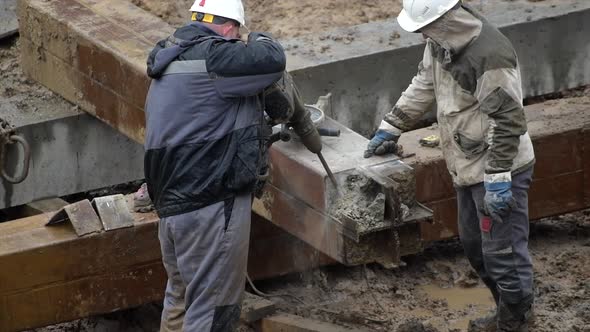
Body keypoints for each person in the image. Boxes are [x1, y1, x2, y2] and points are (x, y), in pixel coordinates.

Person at [364, 1, 536, 331]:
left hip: (499, 170)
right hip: (468, 166)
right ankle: (507, 312)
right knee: (476, 248)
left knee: (504, 255)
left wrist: (498, 178)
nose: (421, 35)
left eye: (424, 28)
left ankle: (517, 322)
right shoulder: (441, 44)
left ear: (445, 20)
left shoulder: (488, 56)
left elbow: (508, 119)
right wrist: (392, 125)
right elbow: (426, 83)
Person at [142, 0, 286, 330]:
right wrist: (257, 37)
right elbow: (272, 60)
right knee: (212, 310)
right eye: (236, 33)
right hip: (210, 203)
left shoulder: (170, 55)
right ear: (228, 27)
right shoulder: (215, 56)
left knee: (180, 299)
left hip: (173, 206)